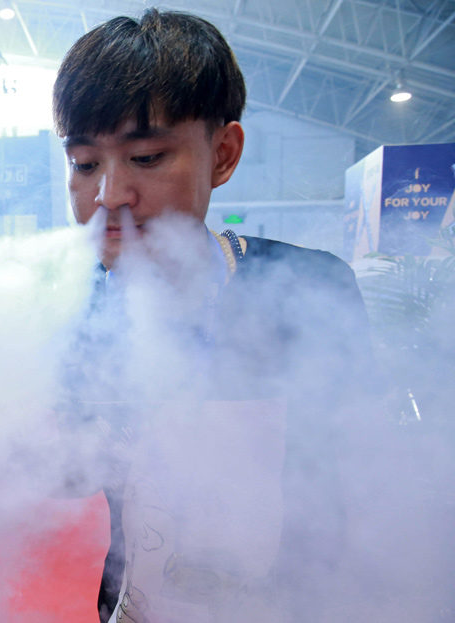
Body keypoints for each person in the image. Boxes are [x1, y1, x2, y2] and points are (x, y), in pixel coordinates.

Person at [52, 10, 376, 622]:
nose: (109, 196)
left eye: (146, 157)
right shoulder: (58, 316)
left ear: (222, 154)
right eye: (85, 164)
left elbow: (356, 498)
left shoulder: (308, 293)